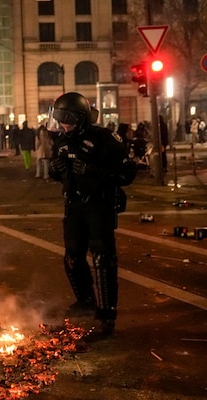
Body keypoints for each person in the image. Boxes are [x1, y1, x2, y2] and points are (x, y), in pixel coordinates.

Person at [47, 92, 137, 336]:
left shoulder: (105, 139)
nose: (64, 124)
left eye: (68, 119)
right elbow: (57, 172)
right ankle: (85, 301)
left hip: (99, 206)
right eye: (60, 118)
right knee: (72, 257)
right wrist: (54, 169)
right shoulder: (62, 140)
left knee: (103, 259)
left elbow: (127, 174)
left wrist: (94, 171)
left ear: (83, 118)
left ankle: (107, 315)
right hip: (74, 206)